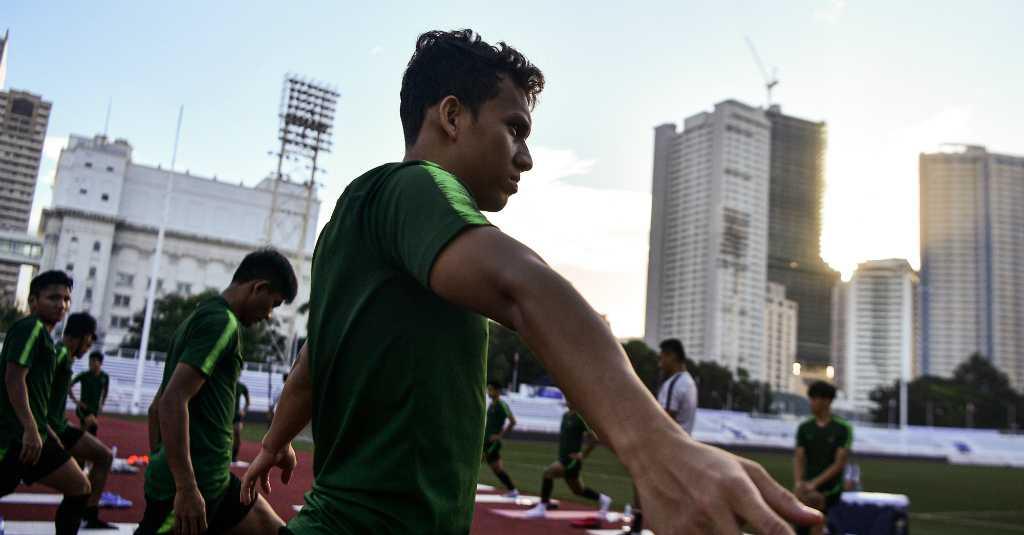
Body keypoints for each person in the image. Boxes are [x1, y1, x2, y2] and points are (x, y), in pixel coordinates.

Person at [242, 29, 822, 535]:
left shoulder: (348, 223)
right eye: (514, 129)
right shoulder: (418, 187)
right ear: (451, 116)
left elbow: (312, 367)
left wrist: (273, 442)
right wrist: (658, 449)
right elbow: (524, 285)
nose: (527, 157)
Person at [134, 249, 298, 535]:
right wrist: (183, 485)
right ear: (258, 287)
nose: (269, 315)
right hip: (195, 489)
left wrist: (164, 462)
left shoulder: (199, 317)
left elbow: (156, 406)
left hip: (216, 482)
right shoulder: (222, 323)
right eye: (272, 304)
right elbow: (172, 401)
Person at [0, 271, 92, 535]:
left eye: (66, 299)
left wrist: (46, 430)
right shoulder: (31, 328)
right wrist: (30, 428)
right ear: (33, 301)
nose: (61, 304)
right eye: (53, 297)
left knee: (79, 487)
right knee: (80, 487)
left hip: (31, 434)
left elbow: (35, 391)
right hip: (15, 437)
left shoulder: (43, 336)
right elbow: (14, 378)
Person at [49, 312, 117, 529]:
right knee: (78, 486)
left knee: (104, 457)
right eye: (88, 342)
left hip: (60, 426)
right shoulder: (58, 354)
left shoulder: (66, 358)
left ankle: (90, 513)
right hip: (49, 429)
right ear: (79, 337)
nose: (89, 348)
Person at [630, 338, 700, 533]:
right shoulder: (689, 381)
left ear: (673, 356)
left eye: (662, 357)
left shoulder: (675, 383)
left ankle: (638, 528)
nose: (659, 362)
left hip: (669, 447)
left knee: (643, 480)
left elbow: (665, 420)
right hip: (683, 445)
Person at [524, 405, 612, 519]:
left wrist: (583, 455)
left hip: (571, 460)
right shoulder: (565, 415)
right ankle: (604, 500)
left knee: (548, 473)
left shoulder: (581, 417)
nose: (567, 398)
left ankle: (542, 508)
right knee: (578, 490)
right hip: (562, 458)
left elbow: (594, 438)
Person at [793, 381, 853, 535]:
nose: (811, 403)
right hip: (807, 486)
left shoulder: (843, 428)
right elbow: (799, 457)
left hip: (831, 489)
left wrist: (814, 484)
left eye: (814, 399)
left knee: (814, 507)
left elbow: (839, 464)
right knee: (796, 510)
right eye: (810, 398)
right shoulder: (804, 427)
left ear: (827, 401)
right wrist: (799, 483)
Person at [482, 381, 518, 498]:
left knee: (477, 461)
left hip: (493, 442)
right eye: (488, 389)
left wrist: (499, 436)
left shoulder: (502, 405)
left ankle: (512, 490)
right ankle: (512, 489)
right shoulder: (492, 404)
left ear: (497, 391)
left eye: (491, 389)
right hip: (487, 440)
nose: (488, 392)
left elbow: (512, 421)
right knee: (497, 469)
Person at [70, 351, 109, 435]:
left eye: (94, 361)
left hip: (94, 410)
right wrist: (76, 401)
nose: (91, 363)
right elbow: (68, 385)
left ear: (100, 363)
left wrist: (102, 404)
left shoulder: (105, 377)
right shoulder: (84, 375)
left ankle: (74, 445)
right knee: (93, 425)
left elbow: (105, 391)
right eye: (90, 361)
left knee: (86, 432)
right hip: (83, 408)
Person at [232, 381, 250, 466]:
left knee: (237, 434)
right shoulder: (224, 383)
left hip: (236, 416)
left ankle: (234, 457)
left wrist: (244, 410)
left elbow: (248, 401)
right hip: (225, 414)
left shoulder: (241, 386)